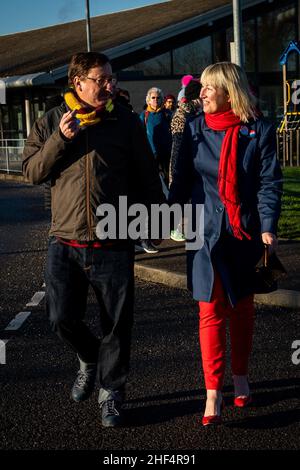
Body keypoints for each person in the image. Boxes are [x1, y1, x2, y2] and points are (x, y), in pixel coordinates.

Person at [22, 52, 165, 427]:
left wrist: (158, 219)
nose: (109, 86)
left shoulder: (126, 121)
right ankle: (89, 357)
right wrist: (60, 139)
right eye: (101, 80)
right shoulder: (52, 120)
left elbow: (147, 175)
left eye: (111, 78)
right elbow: (31, 172)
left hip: (114, 238)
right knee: (60, 317)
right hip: (64, 240)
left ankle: (111, 393)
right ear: (78, 83)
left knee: (117, 324)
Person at [168, 62, 282, 426]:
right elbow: (182, 179)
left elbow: (268, 181)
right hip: (203, 233)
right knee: (209, 309)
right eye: (201, 88)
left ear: (228, 91)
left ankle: (241, 375)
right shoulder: (194, 128)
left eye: (208, 88)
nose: (201, 93)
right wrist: (170, 216)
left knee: (242, 306)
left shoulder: (259, 130)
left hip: (243, 231)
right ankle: (213, 392)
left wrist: (267, 225)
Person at [137, 87, 172, 253]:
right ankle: (149, 233)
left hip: (167, 161)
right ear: (147, 100)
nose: (156, 101)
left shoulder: (168, 115)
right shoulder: (142, 117)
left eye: (158, 98)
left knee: (168, 194)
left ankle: (169, 228)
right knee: (151, 196)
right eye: (153, 98)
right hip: (149, 161)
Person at [169, 79, 202, 242]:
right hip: (182, 165)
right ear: (195, 99)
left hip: (191, 164)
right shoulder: (182, 117)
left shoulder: (193, 115)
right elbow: (177, 148)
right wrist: (175, 172)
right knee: (182, 201)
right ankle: (176, 228)